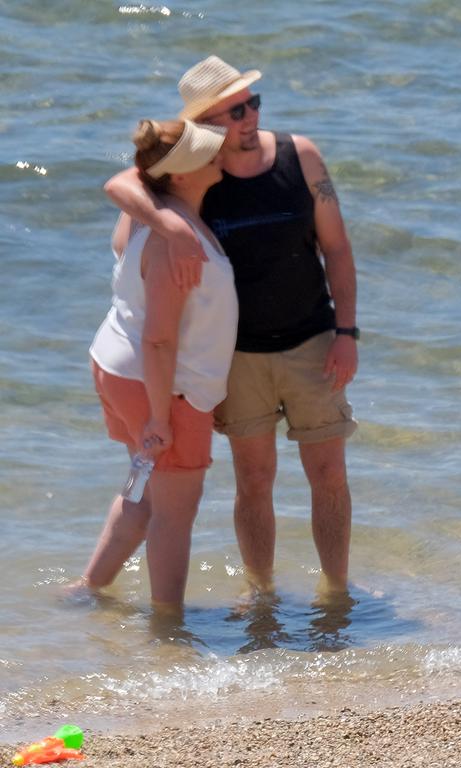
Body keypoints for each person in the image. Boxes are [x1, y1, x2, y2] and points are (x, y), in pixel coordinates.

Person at [103, 56, 359, 596]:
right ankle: (260, 591)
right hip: (237, 359)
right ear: (206, 125)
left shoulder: (300, 156)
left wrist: (347, 333)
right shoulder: (198, 174)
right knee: (254, 481)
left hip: (313, 340)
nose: (250, 117)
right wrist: (168, 224)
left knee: (329, 475)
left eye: (253, 104)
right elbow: (123, 184)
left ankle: (338, 590)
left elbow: (336, 248)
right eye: (235, 110)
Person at [78, 118, 237, 613]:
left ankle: (87, 590)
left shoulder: (159, 213)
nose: (220, 154)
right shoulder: (174, 239)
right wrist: (161, 419)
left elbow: (131, 181)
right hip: (166, 389)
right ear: (181, 175)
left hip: (119, 368)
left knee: (145, 491)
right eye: (208, 152)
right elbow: (161, 338)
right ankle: (168, 628)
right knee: (175, 514)